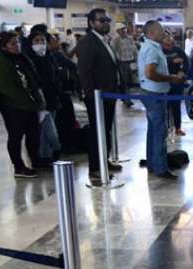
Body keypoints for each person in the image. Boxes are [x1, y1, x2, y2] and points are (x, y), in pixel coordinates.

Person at [0, 31, 46, 178]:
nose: (17, 45)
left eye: (18, 42)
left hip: (29, 104)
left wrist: (35, 100)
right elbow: (7, 88)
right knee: (16, 136)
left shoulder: (20, 57)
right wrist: (28, 101)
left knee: (34, 134)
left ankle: (36, 160)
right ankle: (18, 167)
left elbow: (31, 79)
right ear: (4, 46)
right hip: (12, 107)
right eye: (13, 43)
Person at [76, 8, 123, 184]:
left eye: (107, 20)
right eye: (101, 20)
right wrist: (91, 97)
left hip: (108, 94)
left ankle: (104, 160)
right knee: (97, 132)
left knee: (106, 130)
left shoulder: (104, 41)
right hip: (96, 97)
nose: (105, 23)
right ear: (91, 23)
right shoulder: (88, 42)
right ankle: (95, 168)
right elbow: (85, 73)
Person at [138, 20, 184, 179]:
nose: (163, 32)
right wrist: (170, 78)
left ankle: (153, 162)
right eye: (160, 30)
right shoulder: (151, 49)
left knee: (153, 130)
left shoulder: (152, 47)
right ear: (151, 32)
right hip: (154, 94)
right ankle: (160, 167)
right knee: (159, 131)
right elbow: (150, 73)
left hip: (153, 92)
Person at [25, 31, 63, 165]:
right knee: (50, 133)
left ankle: (46, 157)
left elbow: (55, 77)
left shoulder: (50, 57)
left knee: (45, 133)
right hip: (39, 102)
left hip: (52, 99)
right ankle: (56, 150)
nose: (40, 44)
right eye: (36, 41)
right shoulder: (28, 60)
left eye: (42, 41)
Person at [161, 32, 189, 137]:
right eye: (166, 39)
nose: (168, 41)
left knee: (176, 105)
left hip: (177, 82)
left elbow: (186, 62)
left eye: (169, 39)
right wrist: (172, 60)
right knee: (165, 106)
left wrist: (183, 72)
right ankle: (167, 128)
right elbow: (162, 63)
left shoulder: (178, 50)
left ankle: (177, 127)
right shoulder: (160, 51)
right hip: (165, 81)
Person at [111, 23, 138, 107]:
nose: (124, 31)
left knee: (130, 82)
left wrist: (136, 60)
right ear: (117, 31)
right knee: (125, 82)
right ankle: (127, 99)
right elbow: (114, 53)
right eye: (122, 29)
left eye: (124, 29)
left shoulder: (130, 39)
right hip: (122, 63)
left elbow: (135, 50)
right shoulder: (115, 41)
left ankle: (126, 98)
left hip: (131, 62)